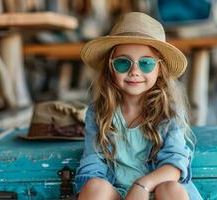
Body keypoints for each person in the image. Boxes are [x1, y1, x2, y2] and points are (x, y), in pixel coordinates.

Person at [75, 12, 202, 200]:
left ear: (160, 70)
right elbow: (93, 162)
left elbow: (175, 163)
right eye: (122, 63)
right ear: (110, 68)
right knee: (93, 187)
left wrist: (142, 185)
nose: (134, 71)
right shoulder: (98, 112)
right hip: (118, 193)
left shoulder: (169, 112)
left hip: (156, 190)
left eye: (146, 63)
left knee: (171, 189)